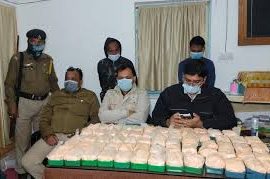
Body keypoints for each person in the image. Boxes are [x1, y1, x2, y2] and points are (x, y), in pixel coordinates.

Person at [21, 67, 100, 179]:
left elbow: (96, 119)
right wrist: (48, 134)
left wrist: (81, 134)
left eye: (73, 79)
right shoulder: (55, 95)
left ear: (80, 82)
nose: (69, 81)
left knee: (73, 168)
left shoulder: (90, 96)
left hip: (75, 138)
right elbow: (44, 118)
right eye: (67, 79)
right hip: (53, 136)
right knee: (27, 162)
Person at [4, 29, 59, 177]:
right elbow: (9, 84)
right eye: (34, 41)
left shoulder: (48, 60)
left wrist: (59, 100)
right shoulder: (18, 58)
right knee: (22, 140)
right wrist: (12, 105)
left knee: (43, 137)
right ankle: (21, 171)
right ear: (28, 41)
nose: (37, 44)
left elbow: (53, 81)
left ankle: (37, 167)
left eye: (41, 42)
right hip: (25, 104)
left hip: (44, 103)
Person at [151, 60, 237, 130]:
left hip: (206, 140)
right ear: (182, 77)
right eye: (188, 80)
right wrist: (168, 122)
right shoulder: (169, 93)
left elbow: (230, 121)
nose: (191, 85)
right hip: (174, 138)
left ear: (204, 80)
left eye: (196, 82)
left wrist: (202, 124)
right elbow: (155, 118)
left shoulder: (215, 95)